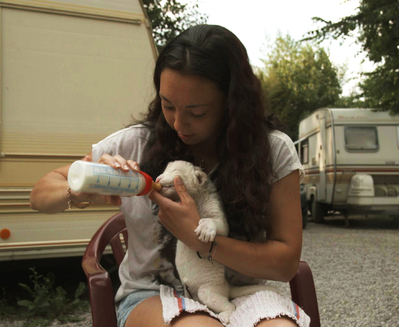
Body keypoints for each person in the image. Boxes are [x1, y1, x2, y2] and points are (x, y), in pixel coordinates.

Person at [30, 25, 307, 327]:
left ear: (233, 103)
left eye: (197, 112)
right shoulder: (134, 144)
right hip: (153, 294)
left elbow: (285, 264)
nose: (178, 123)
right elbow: (40, 195)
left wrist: (203, 241)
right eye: (168, 105)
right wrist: (78, 190)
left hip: (235, 292)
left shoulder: (271, 150)